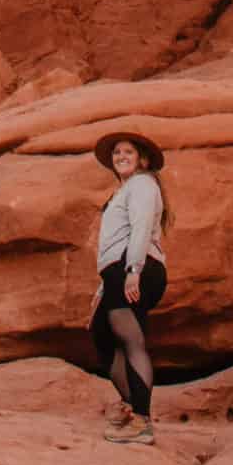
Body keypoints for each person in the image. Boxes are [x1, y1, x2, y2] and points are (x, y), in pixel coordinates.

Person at [89, 129, 168, 446]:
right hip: (117, 272)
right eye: (117, 153)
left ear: (142, 160)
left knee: (129, 337)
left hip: (135, 266)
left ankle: (142, 420)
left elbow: (141, 227)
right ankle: (133, 407)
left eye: (128, 152)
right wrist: (102, 289)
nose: (120, 157)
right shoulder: (123, 190)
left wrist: (133, 269)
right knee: (102, 335)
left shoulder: (142, 185)